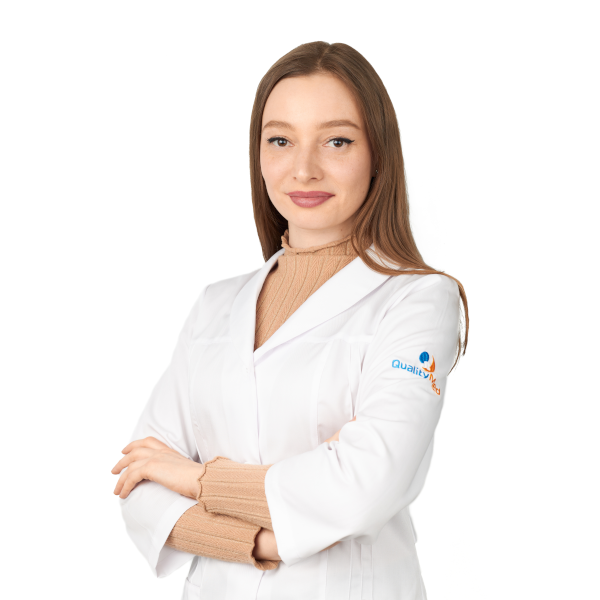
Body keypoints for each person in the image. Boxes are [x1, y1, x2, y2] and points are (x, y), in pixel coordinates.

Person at [112, 41, 469, 600]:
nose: (304, 169)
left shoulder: (418, 300)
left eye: (337, 141)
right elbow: (140, 482)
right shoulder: (215, 305)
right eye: (280, 140)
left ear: (378, 153)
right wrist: (259, 542)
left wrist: (198, 478)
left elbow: (365, 484)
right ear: (258, 154)